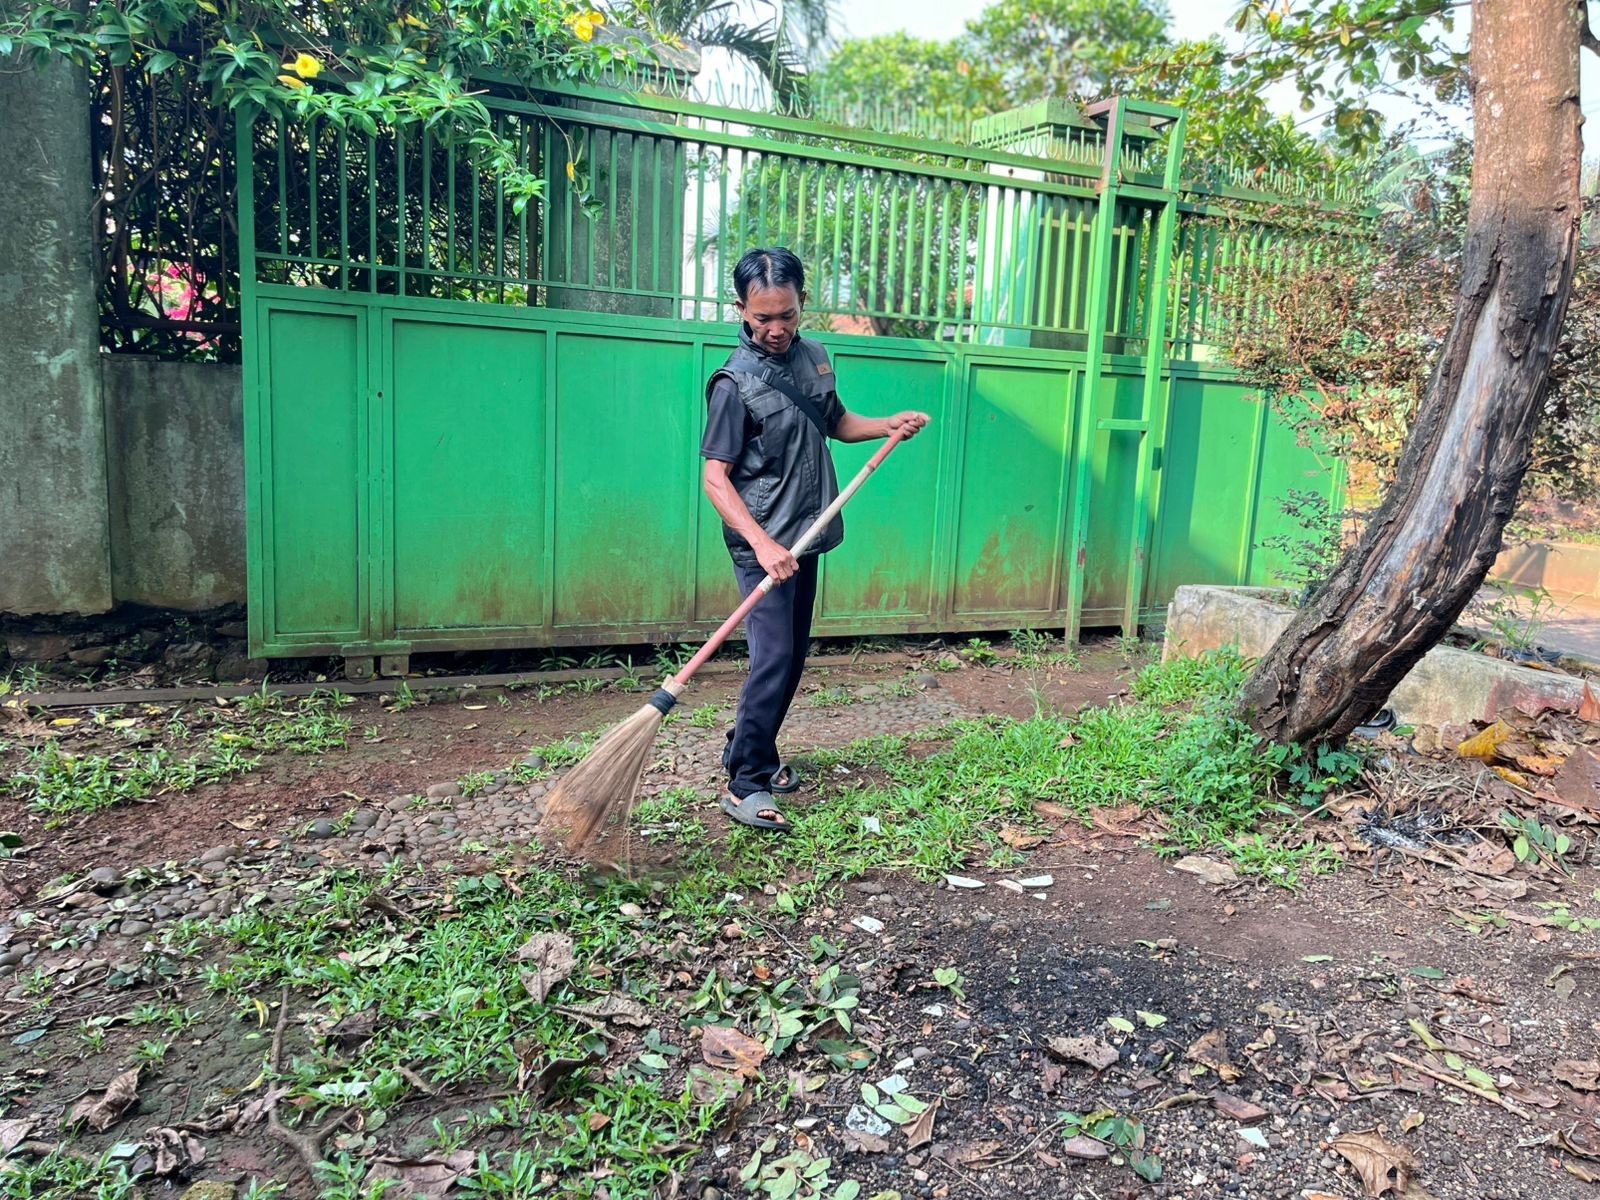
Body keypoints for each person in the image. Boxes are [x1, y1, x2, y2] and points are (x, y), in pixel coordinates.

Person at [700, 247, 929, 833]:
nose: (776, 329)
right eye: (763, 318)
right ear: (742, 311)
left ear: (803, 303)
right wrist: (763, 545)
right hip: (765, 543)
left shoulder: (816, 359)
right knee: (773, 655)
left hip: (808, 533)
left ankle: (752, 749)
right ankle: (745, 781)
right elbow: (714, 479)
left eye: (787, 315)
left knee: (793, 656)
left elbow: (836, 422)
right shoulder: (733, 384)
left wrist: (887, 426)